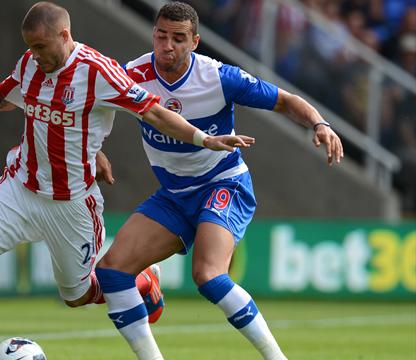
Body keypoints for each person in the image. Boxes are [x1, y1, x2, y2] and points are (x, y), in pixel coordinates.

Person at [0, 2, 254, 359]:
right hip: (19, 188)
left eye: (41, 46)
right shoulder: (29, 65)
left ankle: (142, 281)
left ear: (64, 35)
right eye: (30, 47)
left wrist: (204, 139)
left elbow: (154, 113)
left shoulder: (99, 72)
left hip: (71, 205)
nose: (35, 54)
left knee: (77, 296)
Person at [94, 3, 344, 360]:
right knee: (112, 272)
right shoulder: (130, 74)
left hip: (223, 184)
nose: (167, 46)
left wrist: (321, 124)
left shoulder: (217, 77)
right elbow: (90, 106)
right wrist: (94, 148)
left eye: (178, 39)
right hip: (174, 195)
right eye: (161, 36)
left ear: (195, 41)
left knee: (208, 275)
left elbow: (286, 101)